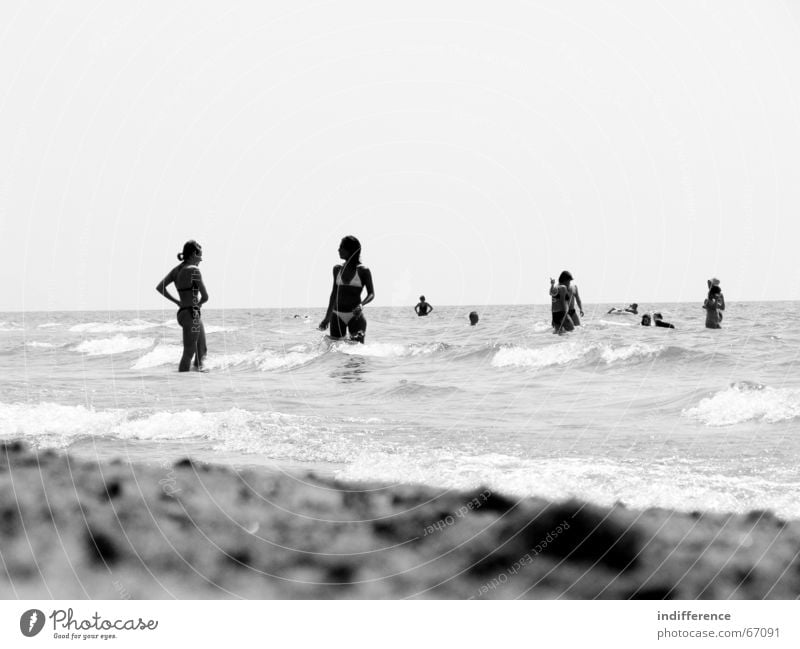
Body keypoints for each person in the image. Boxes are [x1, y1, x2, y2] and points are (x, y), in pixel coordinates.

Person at [156, 240, 208, 372]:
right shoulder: (194, 270)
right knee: (189, 352)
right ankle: (182, 385)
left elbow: (160, 287)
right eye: (200, 255)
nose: (201, 259)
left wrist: (177, 302)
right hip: (192, 313)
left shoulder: (176, 270)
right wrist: (199, 305)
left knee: (201, 349)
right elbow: (205, 297)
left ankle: (193, 381)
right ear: (193, 254)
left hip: (183, 313)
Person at [319, 235, 375, 343]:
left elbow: (371, 294)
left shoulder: (363, 271)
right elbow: (334, 294)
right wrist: (327, 317)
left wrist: (361, 305)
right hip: (337, 315)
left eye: (341, 247)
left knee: (357, 353)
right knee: (336, 353)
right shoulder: (337, 269)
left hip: (355, 316)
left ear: (350, 250)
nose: (338, 250)